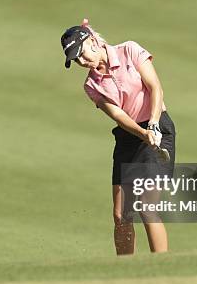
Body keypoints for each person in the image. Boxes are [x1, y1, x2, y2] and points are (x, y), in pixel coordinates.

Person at [60, 18, 176, 255]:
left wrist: (152, 125)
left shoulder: (129, 50)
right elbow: (118, 115)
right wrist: (143, 133)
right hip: (130, 136)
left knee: (146, 205)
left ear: (93, 41)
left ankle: (163, 265)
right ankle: (126, 271)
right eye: (76, 59)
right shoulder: (91, 85)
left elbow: (155, 88)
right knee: (121, 213)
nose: (82, 62)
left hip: (158, 128)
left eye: (81, 54)